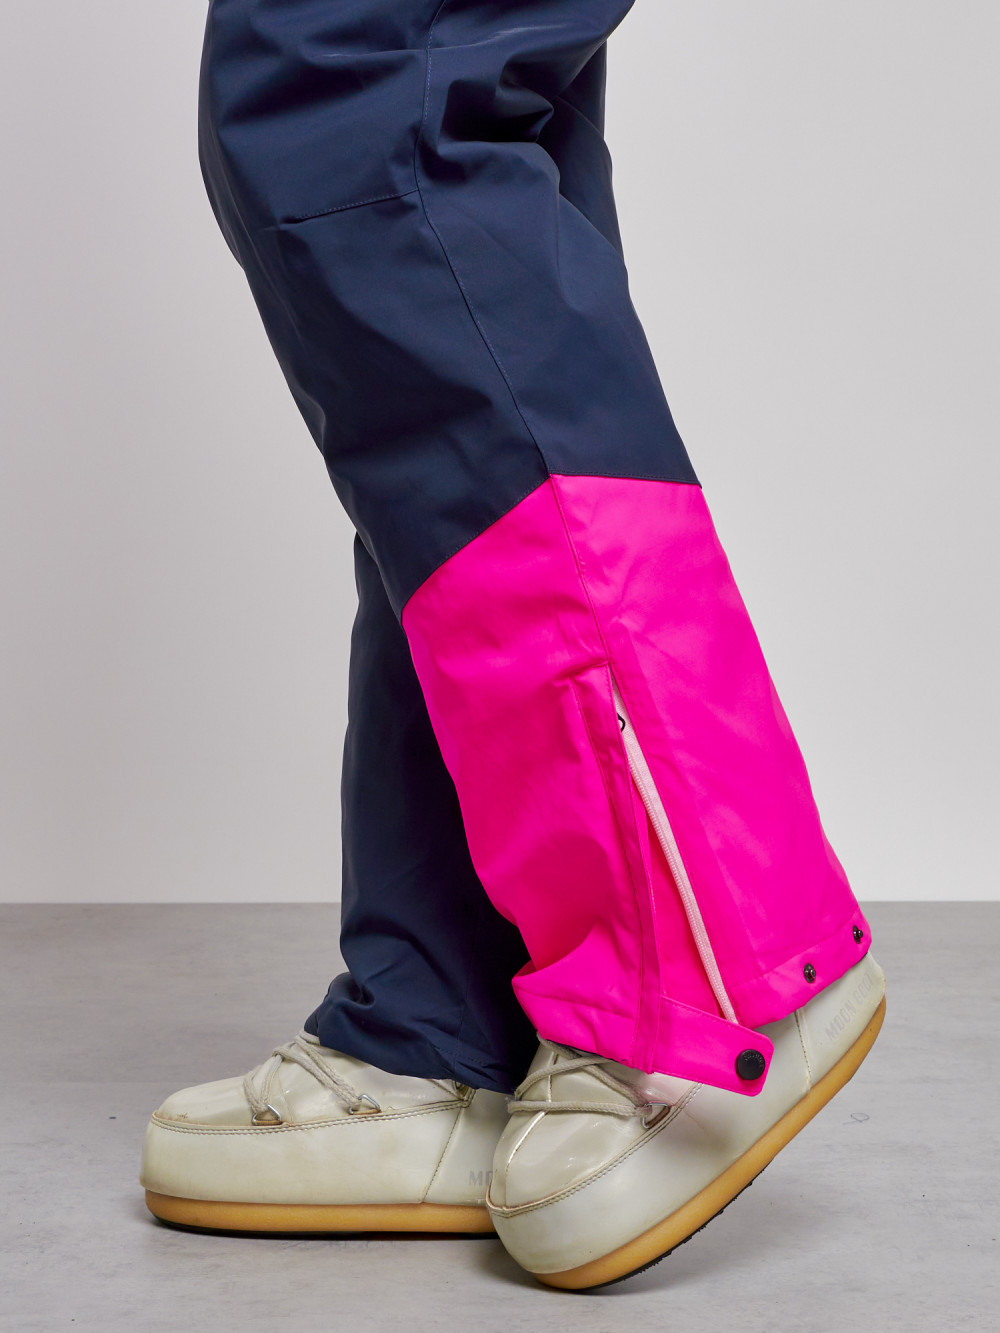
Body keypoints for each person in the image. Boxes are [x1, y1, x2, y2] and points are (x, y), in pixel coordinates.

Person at [139, 0, 885, 1289]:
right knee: (452, 136)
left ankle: (705, 954)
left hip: (706, 949)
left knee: (354, 95)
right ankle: (463, 1011)